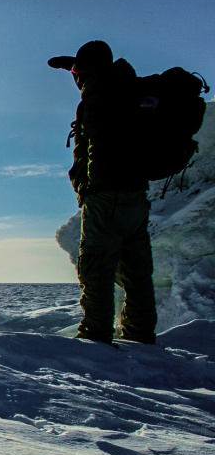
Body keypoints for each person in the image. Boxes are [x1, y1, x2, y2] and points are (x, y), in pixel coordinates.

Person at [48, 40, 157, 344]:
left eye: (77, 74)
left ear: (86, 74)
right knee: (137, 273)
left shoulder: (99, 99)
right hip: (136, 195)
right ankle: (140, 335)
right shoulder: (129, 88)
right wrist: (72, 63)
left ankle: (95, 336)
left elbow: (96, 149)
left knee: (96, 270)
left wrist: (88, 186)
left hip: (106, 195)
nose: (76, 80)